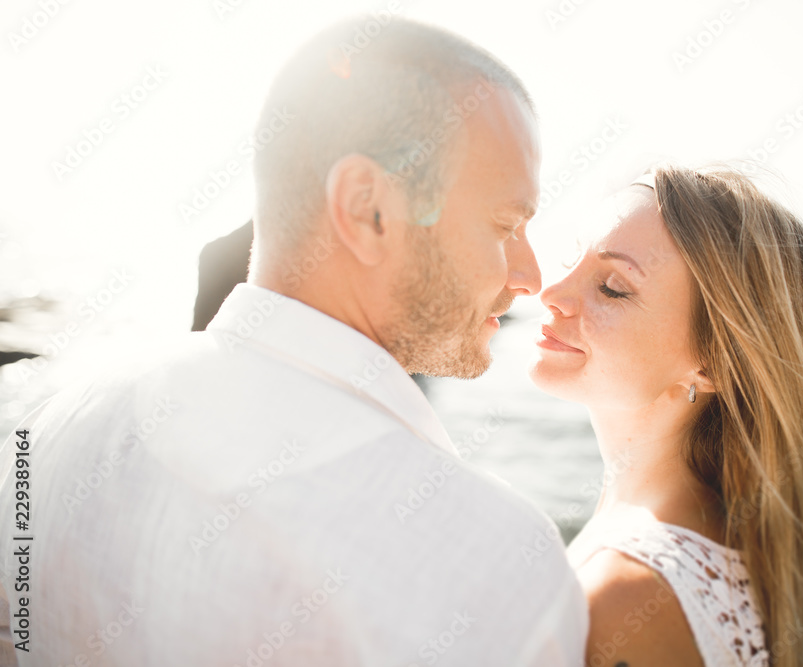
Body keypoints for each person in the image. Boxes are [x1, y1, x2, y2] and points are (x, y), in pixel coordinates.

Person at [0, 17, 587, 666]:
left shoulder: (39, 434)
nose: (531, 277)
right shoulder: (498, 564)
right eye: (506, 224)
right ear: (369, 209)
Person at [530, 165, 803, 666]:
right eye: (573, 258)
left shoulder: (621, 596)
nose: (551, 293)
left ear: (714, 363)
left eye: (613, 286)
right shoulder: (788, 586)